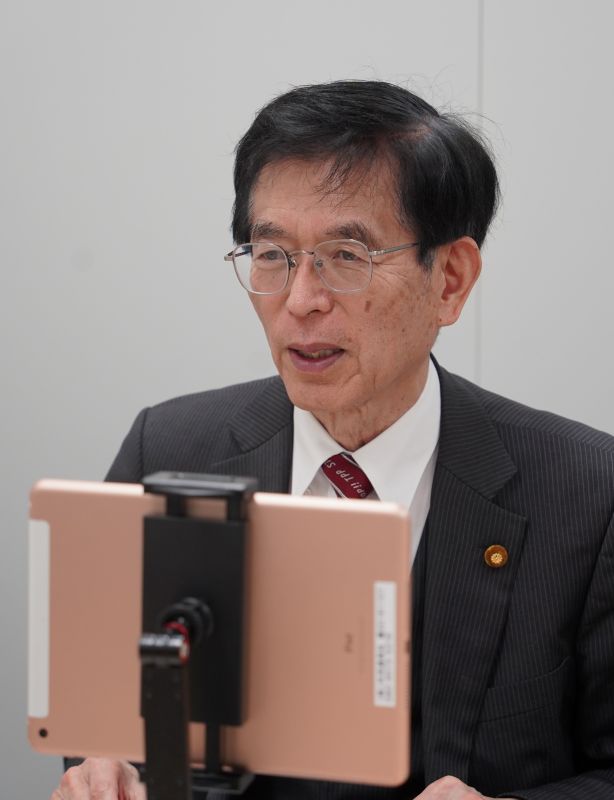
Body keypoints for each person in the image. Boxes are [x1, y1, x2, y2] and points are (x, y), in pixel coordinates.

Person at [52, 80, 614, 800]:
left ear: (450, 279)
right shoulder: (167, 449)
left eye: (347, 256)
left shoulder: (585, 493)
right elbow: (98, 714)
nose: (300, 301)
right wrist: (102, 767)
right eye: (271, 254)